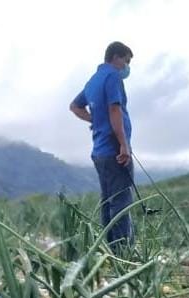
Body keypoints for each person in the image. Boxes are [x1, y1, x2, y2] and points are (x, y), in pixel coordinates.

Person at [70, 41, 135, 251]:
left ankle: (109, 250)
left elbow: (75, 106)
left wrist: (95, 120)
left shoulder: (93, 80)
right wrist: (124, 145)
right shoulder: (112, 76)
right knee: (121, 202)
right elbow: (114, 110)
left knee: (108, 201)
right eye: (126, 61)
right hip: (114, 149)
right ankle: (123, 252)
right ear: (116, 57)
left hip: (99, 152)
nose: (126, 67)